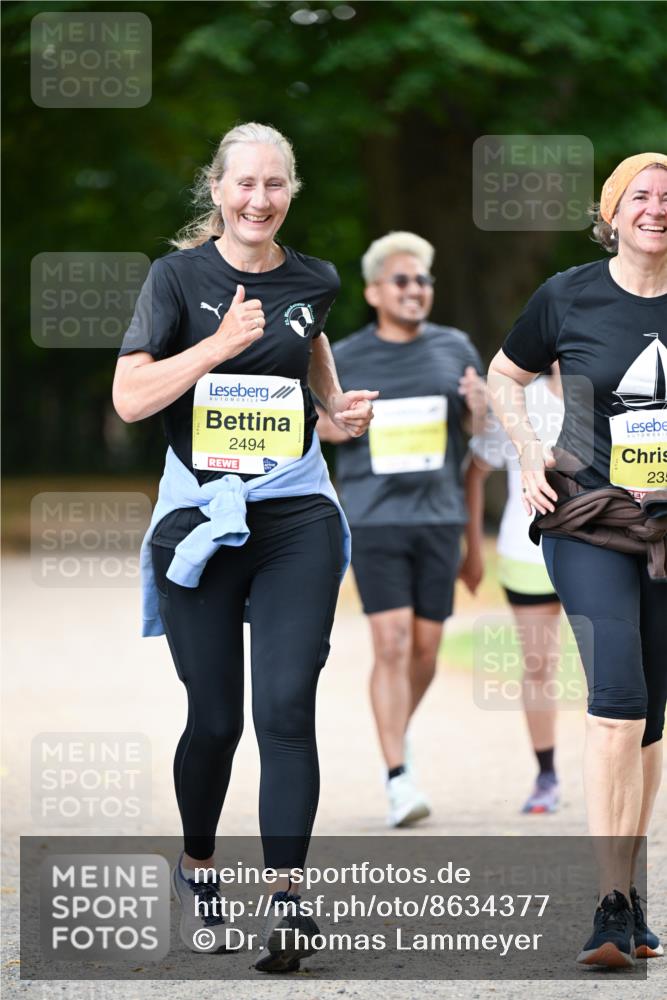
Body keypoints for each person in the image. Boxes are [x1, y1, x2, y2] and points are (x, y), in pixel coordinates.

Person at [112, 122, 377, 973]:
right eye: (243, 185)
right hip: (201, 521)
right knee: (217, 721)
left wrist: (339, 415)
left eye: (273, 185)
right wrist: (216, 345)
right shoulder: (176, 278)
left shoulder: (317, 280)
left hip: (294, 515)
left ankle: (289, 904)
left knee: (286, 709)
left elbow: (310, 368)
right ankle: (198, 867)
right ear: (216, 190)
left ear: (289, 190)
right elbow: (129, 398)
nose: (258, 200)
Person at [487, 152, 667, 968]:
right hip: (586, 519)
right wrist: (527, 451)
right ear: (612, 211)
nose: (655, 208)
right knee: (616, 702)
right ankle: (604, 906)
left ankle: (632, 894)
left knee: (652, 720)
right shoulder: (567, 293)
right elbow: (504, 372)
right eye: (641, 196)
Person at [317, 231, 487, 828]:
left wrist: (481, 406)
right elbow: (316, 430)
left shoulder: (455, 346)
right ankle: (397, 776)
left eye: (423, 280)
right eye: (402, 280)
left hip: (438, 516)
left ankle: (396, 737)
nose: (416, 289)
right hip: (375, 514)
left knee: (425, 649)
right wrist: (338, 424)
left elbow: (477, 436)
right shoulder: (343, 353)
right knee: (389, 643)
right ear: (373, 291)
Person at [462, 364, 565, 814]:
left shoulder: (615, 392)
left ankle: (618, 766)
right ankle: (546, 774)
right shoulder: (518, 398)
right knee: (540, 664)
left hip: (608, 548)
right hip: (530, 553)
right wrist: (473, 550)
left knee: (614, 667)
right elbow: (475, 469)